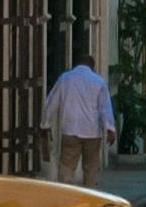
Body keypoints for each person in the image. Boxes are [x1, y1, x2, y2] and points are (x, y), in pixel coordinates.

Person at [43, 55, 117, 187]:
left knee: (66, 167)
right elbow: (105, 108)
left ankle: (67, 196)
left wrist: (45, 124)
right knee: (90, 169)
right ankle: (89, 195)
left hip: (70, 130)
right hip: (93, 132)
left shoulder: (65, 79)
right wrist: (110, 129)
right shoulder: (99, 82)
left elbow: (51, 103)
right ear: (92, 67)